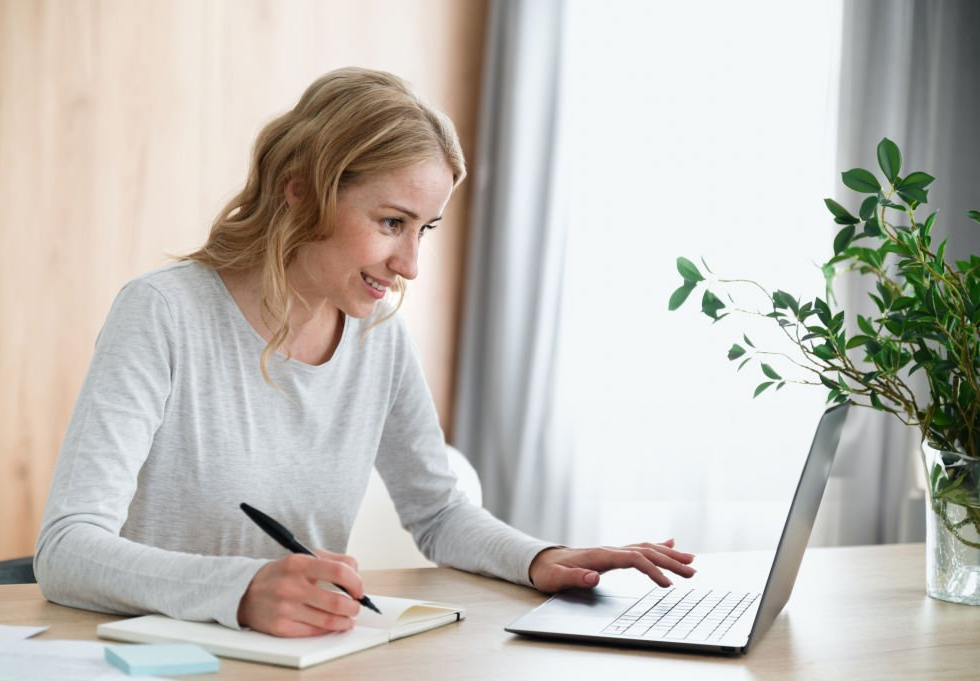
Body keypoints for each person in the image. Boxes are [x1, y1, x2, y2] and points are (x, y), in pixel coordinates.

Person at [35, 67, 695, 637]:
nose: (409, 263)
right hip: (159, 659)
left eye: (424, 229)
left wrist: (541, 557)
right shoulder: (164, 312)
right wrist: (241, 590)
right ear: (300, 190)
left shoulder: (379, 334)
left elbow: (437, 512)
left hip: (304, 657)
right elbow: (67, 548)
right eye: (391, 223)